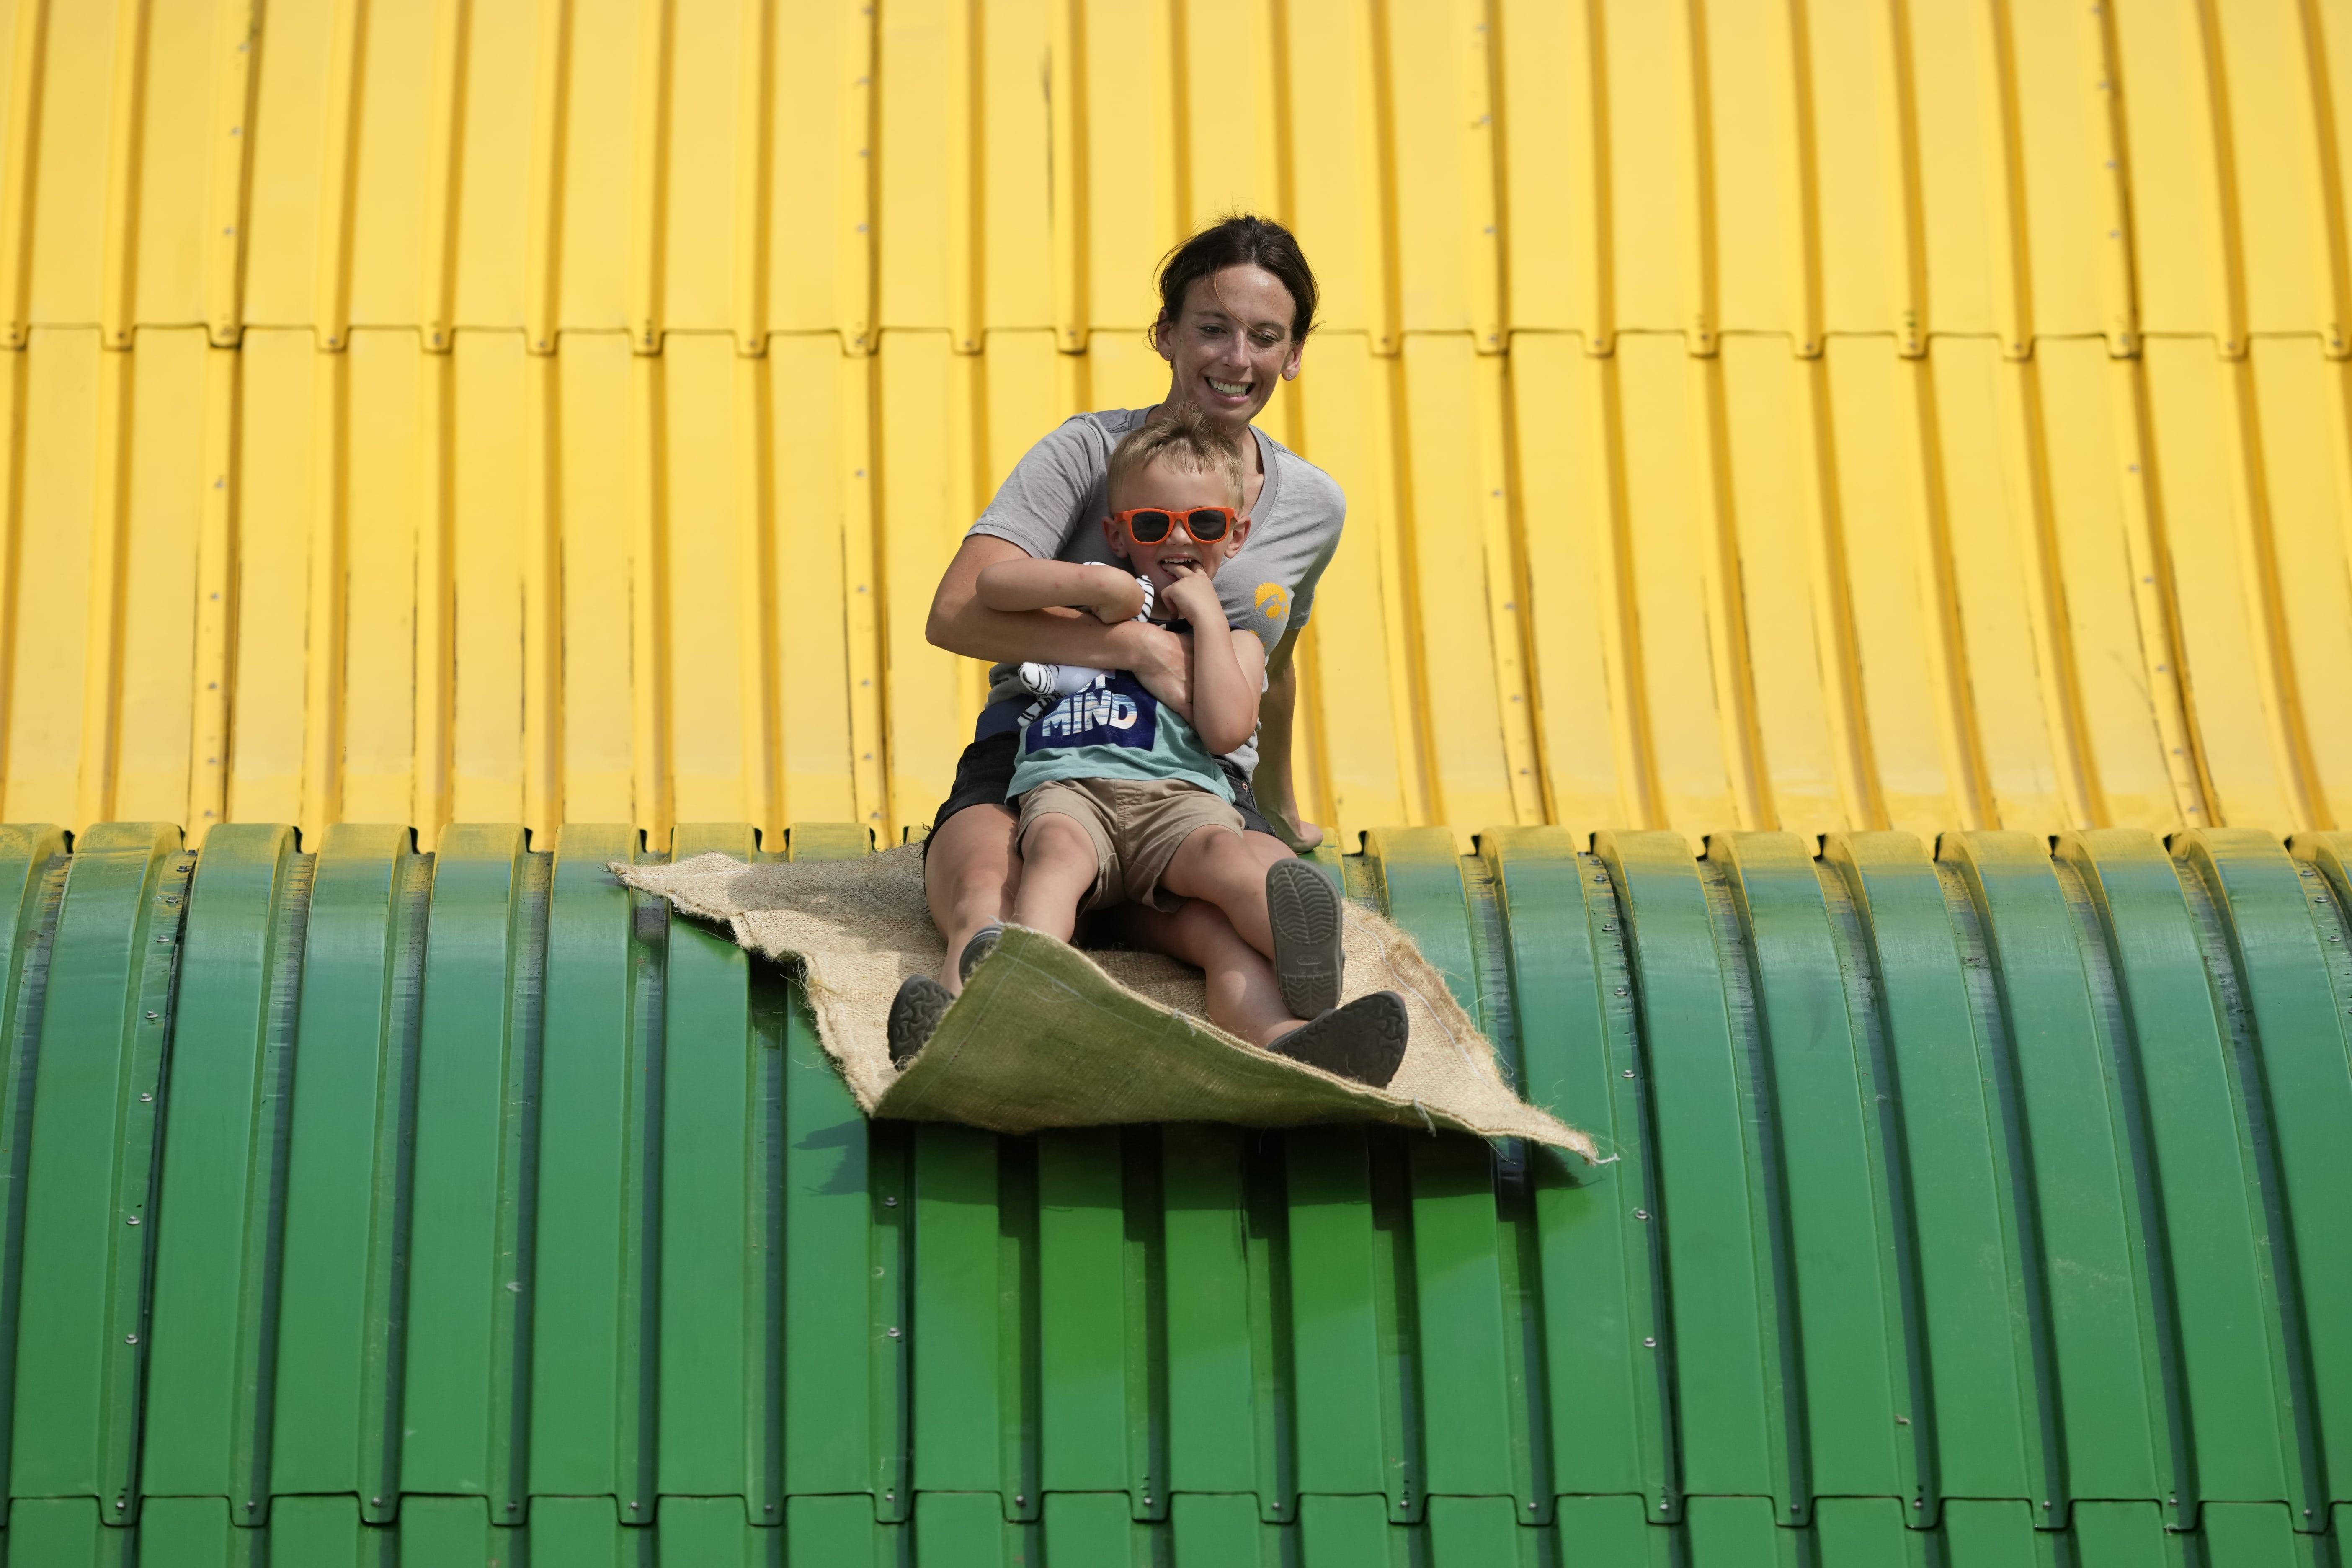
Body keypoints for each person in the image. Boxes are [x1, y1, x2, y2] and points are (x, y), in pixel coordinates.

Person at [920, 214, 1343, 1050]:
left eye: (1266, 337)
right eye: (1212, 329)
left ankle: (1293, 1044)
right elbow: (957, 609)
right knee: (989, 888)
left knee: (1232, 921)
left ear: (1294, 353)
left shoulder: (1311, 506)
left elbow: (1277, 665)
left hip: (1194, 782)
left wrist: (1283, 803)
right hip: (1041, 755)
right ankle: (964, 1029)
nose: (1237, 358)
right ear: (1167, 333)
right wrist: (1135, 644)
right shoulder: (1091, 452)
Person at [889, 415, 1408, 1086]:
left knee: (1226, 883)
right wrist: (1091, 585)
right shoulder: (1086, 615)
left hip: (1178, 806)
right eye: (1153, 526)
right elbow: (989, 589)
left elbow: (1227, 728)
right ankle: (1008, 991)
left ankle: (1295, 1015)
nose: (1181, 538)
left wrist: (1209, 619)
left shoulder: (1236, 641)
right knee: (1049, 860)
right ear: (1119, 533)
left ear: (1238, 535)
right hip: (1072, 792)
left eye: (1207, 525)